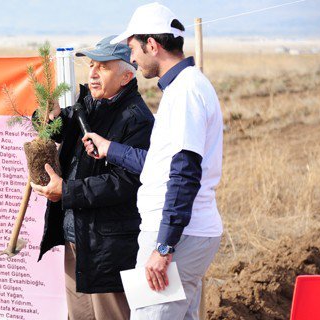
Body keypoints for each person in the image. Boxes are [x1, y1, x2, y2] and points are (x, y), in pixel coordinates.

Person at [82, 3, 223, 319]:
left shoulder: (186, 91)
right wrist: (110, 149)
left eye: (133, 48)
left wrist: (164, 248)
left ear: (152, 45)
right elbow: (162, 164)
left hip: (176, 237)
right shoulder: (184, 87)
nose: (132, 58)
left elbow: (184, 172)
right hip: (185, 234)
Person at [31, 35, 154, 320]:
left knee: (110, 315)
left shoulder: (136, 119)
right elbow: (60, 130)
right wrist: (50, 116)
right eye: (91, 65)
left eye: (103, 66)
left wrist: (68, 191)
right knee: (79, 315)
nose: (93, 73)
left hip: (107, 246)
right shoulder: (88, 102)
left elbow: (126, 183)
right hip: (78, 236)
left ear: (126, 76)